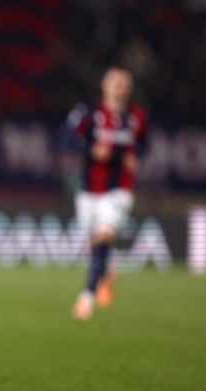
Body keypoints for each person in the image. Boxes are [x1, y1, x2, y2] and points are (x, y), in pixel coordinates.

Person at [61, 66, 148, 321]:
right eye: (115, 83)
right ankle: (106, 272)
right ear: (104, 85)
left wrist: (136, 156)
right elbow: (65, 139)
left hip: (119, 189)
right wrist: (90, 150)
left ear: (130, 89)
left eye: (124, 84)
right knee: (95, 244)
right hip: (88, 190)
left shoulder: (137, 116)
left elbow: (144, 143)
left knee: (104, 238)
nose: (120, 88)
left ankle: (86, 298)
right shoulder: (88, 112)